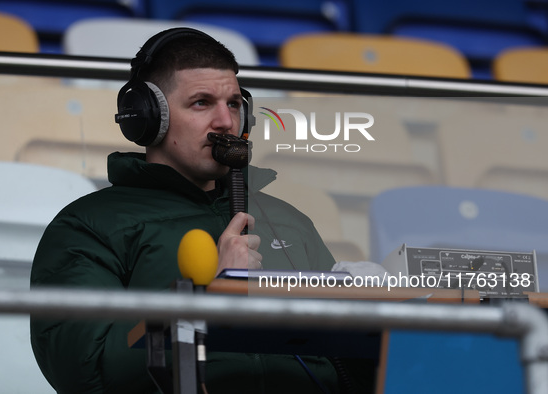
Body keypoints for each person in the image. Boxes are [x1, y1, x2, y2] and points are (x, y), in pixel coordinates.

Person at [30, 28, 354, 393]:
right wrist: (209, 291)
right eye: (202, 102)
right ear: (148, 118)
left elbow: (354, 367)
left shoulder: (290, 222)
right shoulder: (88, 226)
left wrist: (381, 299)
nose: (226, 122)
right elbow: (85, 372)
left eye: (233, 104)